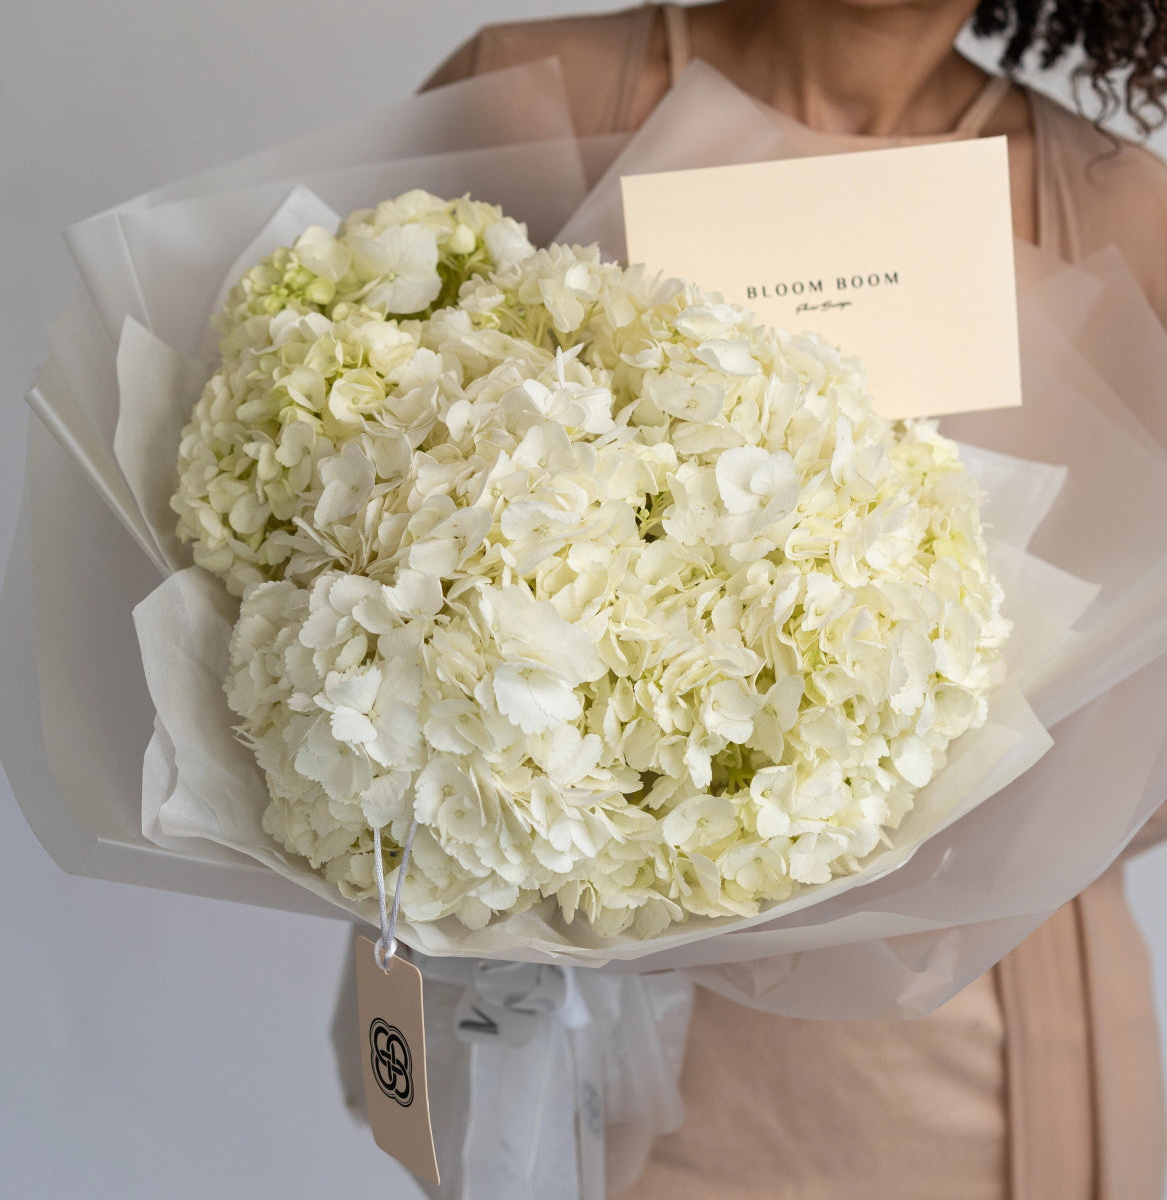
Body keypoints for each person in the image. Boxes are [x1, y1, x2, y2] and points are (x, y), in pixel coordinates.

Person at [424, 3, 1167, 1196]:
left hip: (987, 1060)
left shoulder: (1120, 202)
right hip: (611, 1039)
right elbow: (375, 539)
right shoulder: (535, 93)